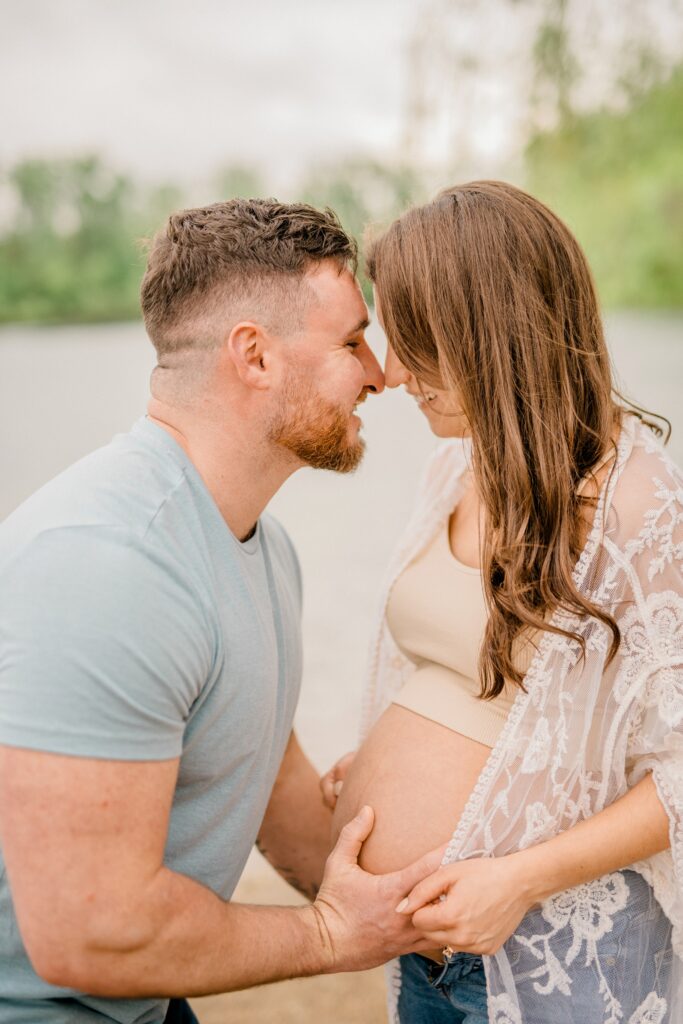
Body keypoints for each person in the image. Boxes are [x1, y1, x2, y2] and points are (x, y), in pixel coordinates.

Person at [0, 198, 443, 1024]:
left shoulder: (260, 547)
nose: (379, 374)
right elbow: (88, 937)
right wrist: (330, 935)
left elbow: (272, 788)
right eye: (351, 342)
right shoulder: (106, 565)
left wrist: (448, 896)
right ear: (255, 356)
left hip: (147, 1006)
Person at [322, 181, 683, 1023]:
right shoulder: (455, 467)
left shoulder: (639, 506)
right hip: (423, 955)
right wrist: (383, 756)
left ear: (488, 333)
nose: (392, 374)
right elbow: (478, 687)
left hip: (555, 952)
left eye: (414, 344)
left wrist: (516, 880)